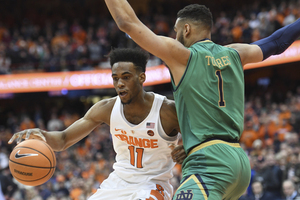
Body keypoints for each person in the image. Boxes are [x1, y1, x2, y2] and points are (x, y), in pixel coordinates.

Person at [103, 1, 300, 199]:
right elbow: (277, 42)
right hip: (239, 162)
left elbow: (127, 22)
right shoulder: (236, 53)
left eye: (176, 30)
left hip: (210, 162)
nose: (175, 36)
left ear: (186, 29)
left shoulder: (183, 56)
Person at [8, 48, 185, 200]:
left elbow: (206, 137)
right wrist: (43, 135)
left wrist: (191, 149)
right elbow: (63, 139)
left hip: (153, 185)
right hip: (118, 182)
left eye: (126, 77)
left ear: (142, 77)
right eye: (115, 78)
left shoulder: (167, 111)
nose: (120, 84)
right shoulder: (106, 109)